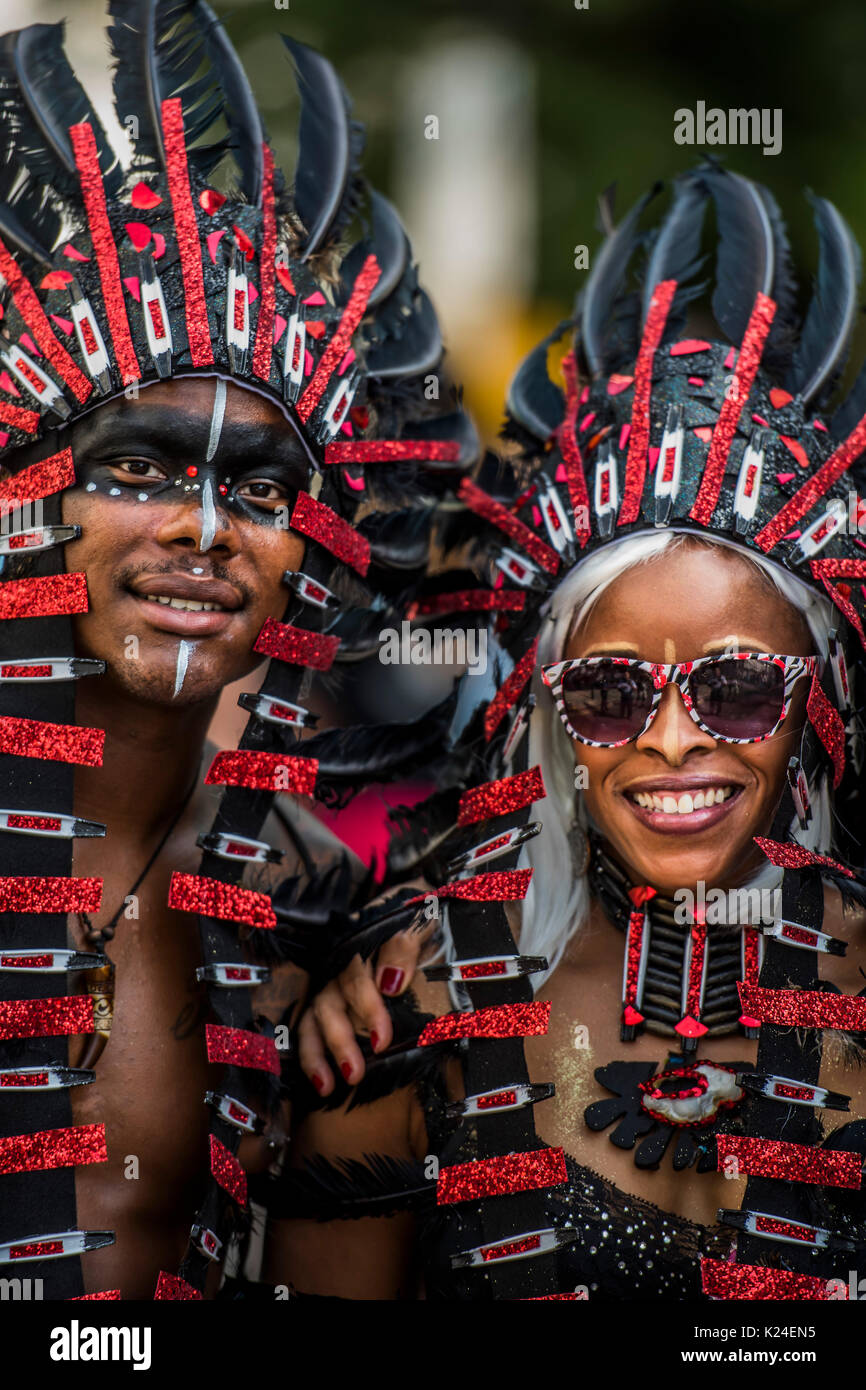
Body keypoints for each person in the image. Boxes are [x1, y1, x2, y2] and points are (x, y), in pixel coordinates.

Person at [272, 166, 866, 1301]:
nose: (673, 739)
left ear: (813, 702)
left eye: (738, 687)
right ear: (549, 717)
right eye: (608, 693)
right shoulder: (421, 990)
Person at [0, 1, 474, 1300]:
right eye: (140, 466)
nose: (202, 532)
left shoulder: (304, 906)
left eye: (258, 492)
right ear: (34, 491)